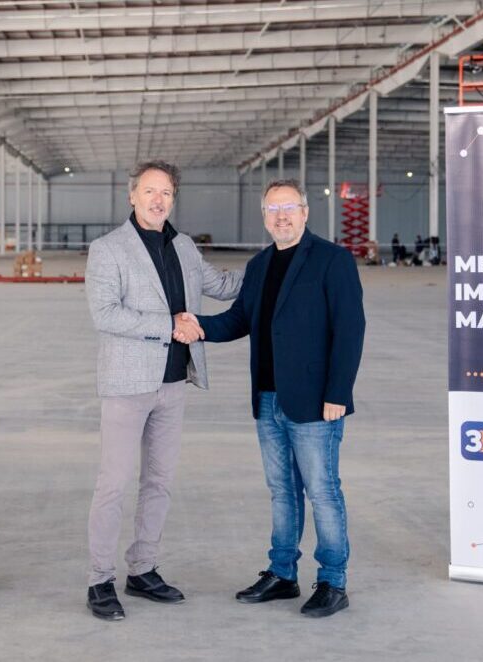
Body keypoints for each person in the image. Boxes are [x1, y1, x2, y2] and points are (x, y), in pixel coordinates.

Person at [180, 179, 365, 618]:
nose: (281, 217)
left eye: (289, 208)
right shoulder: (260, 264)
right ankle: (282, 574)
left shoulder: (332, 259)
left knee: (322, 491)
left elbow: (350, 328)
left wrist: (338, 392)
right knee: (282, 491)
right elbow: (240, 319)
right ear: (264, 217)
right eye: (273, 210)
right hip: (268, 398)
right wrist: (199, 326)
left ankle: (333, 581)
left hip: (315, 401)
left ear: (305, 212)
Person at [84, 161, 243, 621]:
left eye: (167, 193)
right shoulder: (108, 249)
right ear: (132, 195)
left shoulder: (184, 246)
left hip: (174, 384)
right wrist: (168, 325)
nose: (158, 200)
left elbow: (222, 285)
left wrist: (275, 260)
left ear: (174, 199)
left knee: (159, 482)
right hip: (127, 385)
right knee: (113, 485)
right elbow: (105, 314)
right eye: (150, 191)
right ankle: (99, 579)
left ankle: (143, 569)